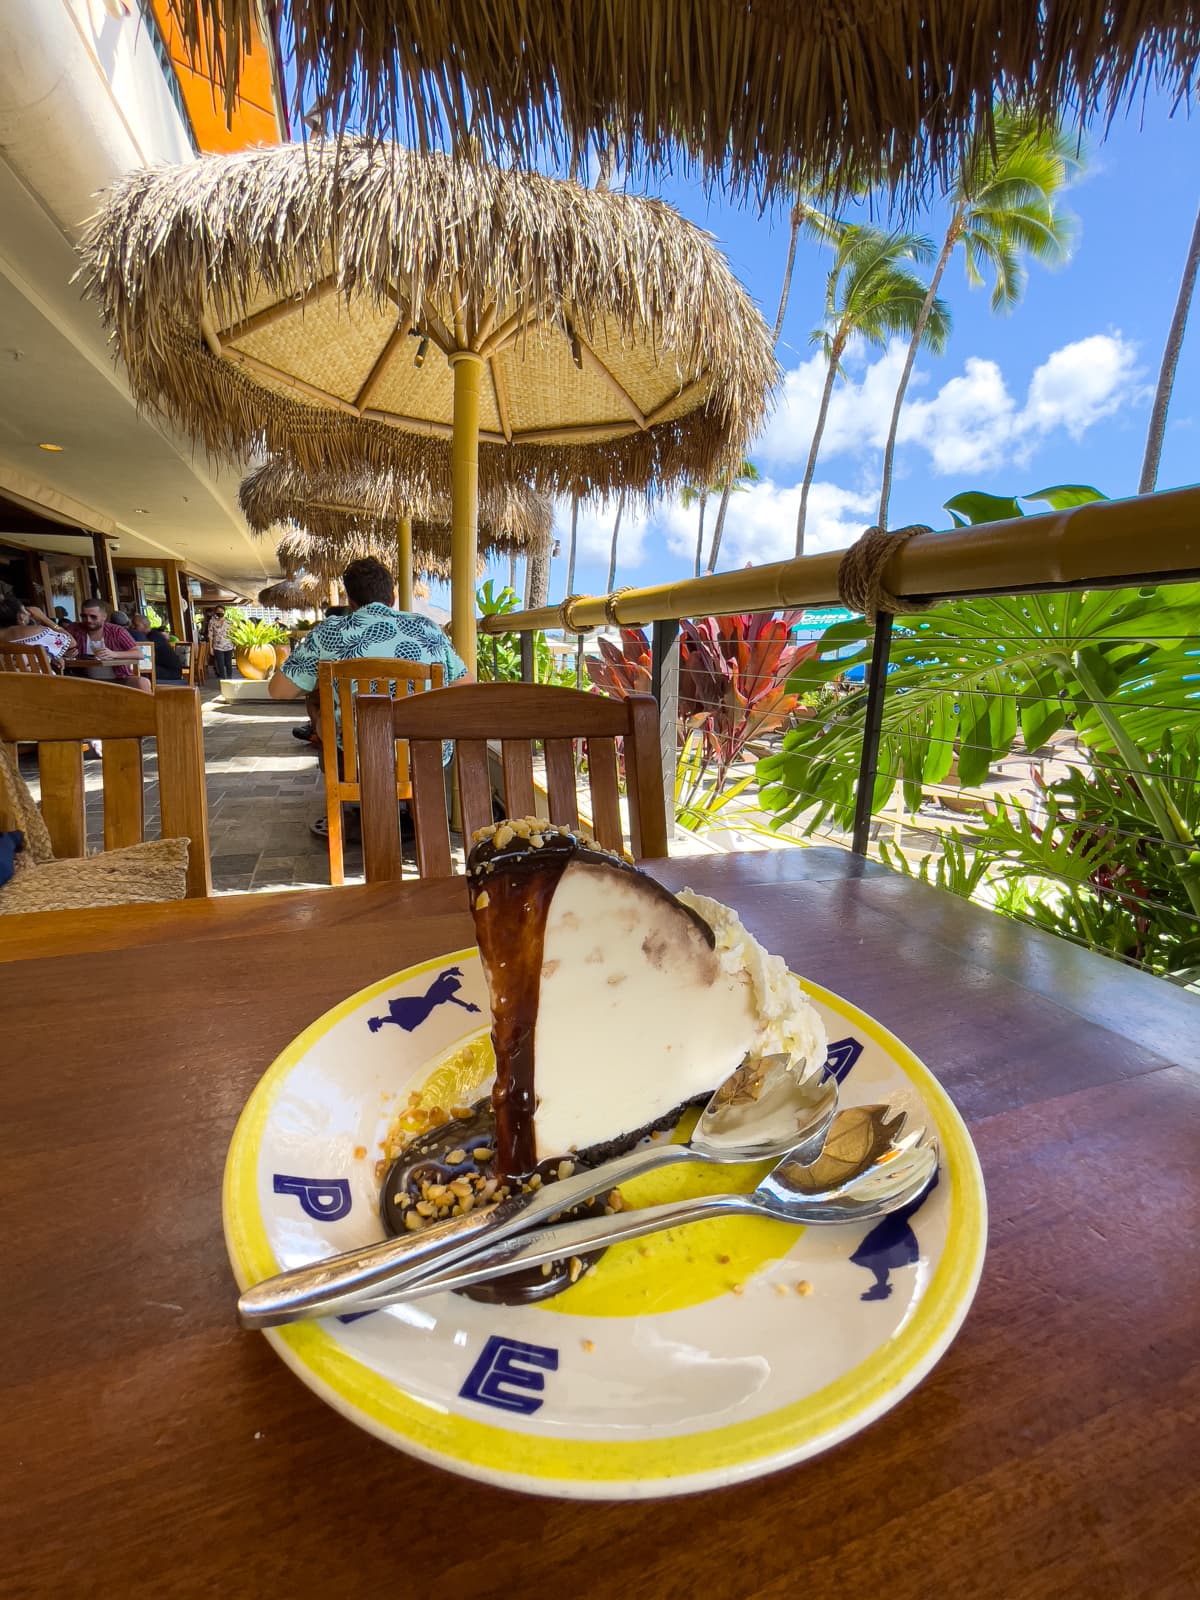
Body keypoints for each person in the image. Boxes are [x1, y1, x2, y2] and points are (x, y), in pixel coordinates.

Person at [269, 557, 470, 840]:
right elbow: (465, 685)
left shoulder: (329, 632)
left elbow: (278, 690)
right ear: (394, 596)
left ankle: (366, 807)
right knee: (414, 727)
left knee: (316, 704)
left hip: (358, 757)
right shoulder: (428, 628)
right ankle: (421, 824)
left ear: (350, 601)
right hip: (425, 756)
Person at [63, 598, 151, 693]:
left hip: (118, 678)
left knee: (143, 683)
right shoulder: (74, 629)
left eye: (93, 617)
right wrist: (66, 654)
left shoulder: (116, 631)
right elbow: (56, 649)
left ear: (104, 617)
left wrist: (114, 654)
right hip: (85, 679)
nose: (88, 620)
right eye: (84, 616)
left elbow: (139, 654)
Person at [0, 596, 73, 666]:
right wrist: (44, 618)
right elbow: (71, 642)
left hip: (6, 679)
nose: (29, 614)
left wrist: (51, 656)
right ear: (21, 617)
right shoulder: (37, 632)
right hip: (41, 678)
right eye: (26, 610)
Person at [207, 607, 234, 680]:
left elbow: (233, 634)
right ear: (215, 612)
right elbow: (210, 636)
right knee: (220, 664)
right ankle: (223, 679)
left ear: (224, 612)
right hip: (217, 646)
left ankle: (230, 678)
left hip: (229, 645)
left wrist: (235, 646)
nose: (220, 612)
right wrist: (210, 648)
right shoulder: (212, 622)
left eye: (222, 611)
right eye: (218, 611)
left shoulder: (229, 622)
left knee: (229, 664)